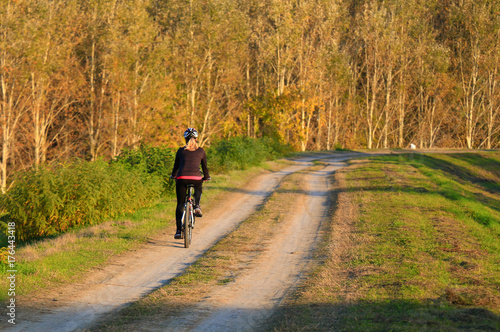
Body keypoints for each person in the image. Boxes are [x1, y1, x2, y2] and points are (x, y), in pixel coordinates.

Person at [171, 128, 210, 239]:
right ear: (196, 139)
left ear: (185, 139)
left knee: (180, 204)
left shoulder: (180, 151)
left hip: (182, 178)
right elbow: (204, 167)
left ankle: (178, 231)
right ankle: (197, 205)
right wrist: (206, 177)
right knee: (198, 186)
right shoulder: (201, 151)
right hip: (196, 178)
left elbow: (176, 167)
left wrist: (173, 175)